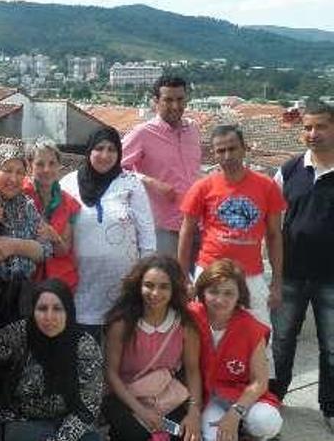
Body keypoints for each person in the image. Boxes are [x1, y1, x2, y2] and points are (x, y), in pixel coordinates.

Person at [178, 125, 285, 348]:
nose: (227, 156)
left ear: (244, 149)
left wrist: (276, 282)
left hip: (252, 275)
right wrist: (183, 277)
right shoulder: (203, 187)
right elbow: (186, 232)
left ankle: (259, 382)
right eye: (220, 151)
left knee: (259, 337)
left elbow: (274, 236)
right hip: (209, 272)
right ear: (214, 153)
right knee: (204, 336)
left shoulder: (267, 186)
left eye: (232, 149)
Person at [270, 103, 334, 433]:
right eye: (308, 127)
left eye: (321, 127)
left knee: (332, 346)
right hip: (291, 273)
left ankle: (331, 407)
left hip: (332, 278)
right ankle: (274, 398)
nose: (313, 134)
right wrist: (275, 276)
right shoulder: (290, 169)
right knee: (281, 340)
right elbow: (272, 222)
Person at [60, 126, 156, 340]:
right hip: (81, 286)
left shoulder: (131, 184)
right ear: (89, 151)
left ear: (119, 153)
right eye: (99, 148)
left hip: (122, 286)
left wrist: (144, 278)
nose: (105, 155)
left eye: (112, 149)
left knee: (120, 351)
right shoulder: (67, 183)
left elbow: (147, 235)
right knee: (87, 351)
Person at [0, 279, 103, 441]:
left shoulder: (85, 346)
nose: (49, 317)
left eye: (57, 309)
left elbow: (88, 407)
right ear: (33, 311)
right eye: (42, 309)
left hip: (70, 424)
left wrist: (60, 439)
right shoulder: (23, 332)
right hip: (22, 421)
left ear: (68, 311)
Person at [103, 256, 202, 441]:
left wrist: (194, 411)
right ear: (139, 286)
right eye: (149, 285)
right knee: (138, 435)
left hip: (165, 397)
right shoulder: (122, 323)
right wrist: (141, 411)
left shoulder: (185, 325)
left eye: (164, 286)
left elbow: (193, 371)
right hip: (124, 397)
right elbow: (111, 374)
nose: (155, 293)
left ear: (174, 289)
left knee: (184, 435)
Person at [188, 259, 283, 441]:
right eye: (213, 291)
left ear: (239, 295)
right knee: (214, 436)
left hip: (242, 395)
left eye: (229, 293)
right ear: (202, 292)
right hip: (208, 396)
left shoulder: (251, 327)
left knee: (265, 422)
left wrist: (235, 412)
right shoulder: (192, 317)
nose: (220, 299)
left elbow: (260, 382)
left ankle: (247, 429)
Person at [122, 76, 201, 257]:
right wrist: (150, 182)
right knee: (169, 280)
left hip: (197, 222)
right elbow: (116, 167)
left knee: (200, 282)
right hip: (164, 227)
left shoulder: (193, 130)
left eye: (180, 99)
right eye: (168, 100)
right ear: (156, 102)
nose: (175, 106)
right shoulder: (142, 133)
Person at [0, 143, 47, 331]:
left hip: (22, 299)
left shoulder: (27, 207)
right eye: (7, 170)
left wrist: (16, 246)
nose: (14, 178)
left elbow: (47, 250)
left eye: (20, 172)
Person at [21, 138, 81, 292]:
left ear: (59, 166)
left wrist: (53, 236)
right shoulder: (18, 193)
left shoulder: (69, 203)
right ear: (29, 166)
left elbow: (63, 250)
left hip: (59, 284)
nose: (46, 169)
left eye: (52, 163)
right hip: (24, 282)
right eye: (40, 164)